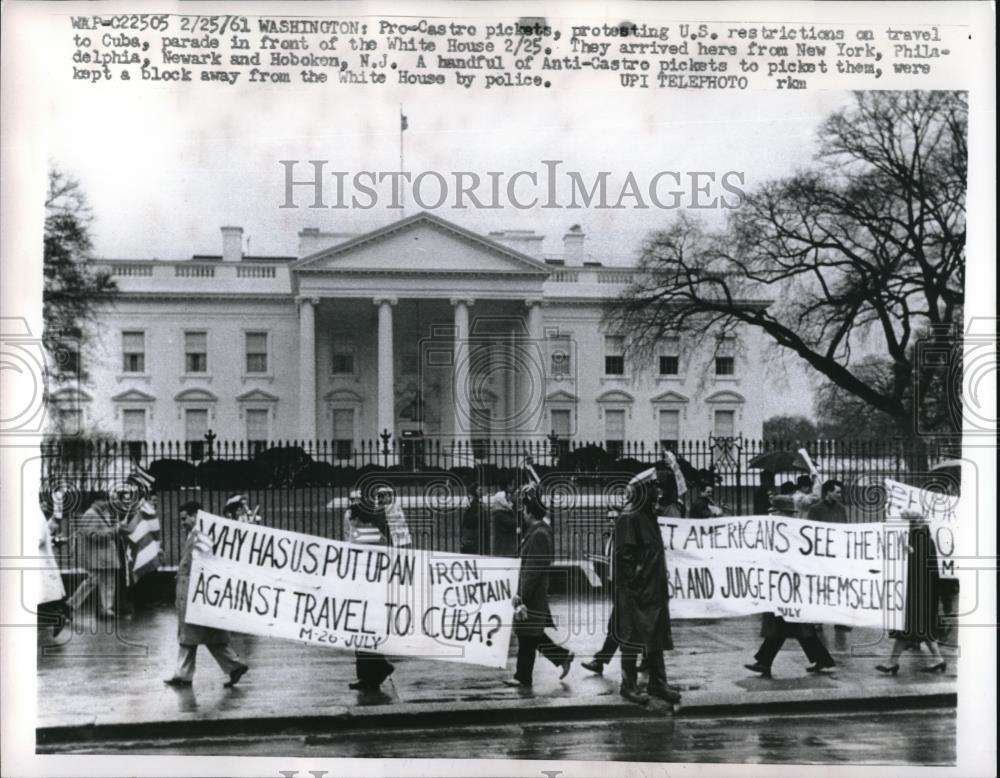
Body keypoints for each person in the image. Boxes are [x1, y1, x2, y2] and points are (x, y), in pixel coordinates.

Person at [165, 501, 249, 688]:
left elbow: (206, 563)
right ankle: (232, 666)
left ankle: (186, 674)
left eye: (185, 518)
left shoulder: (201, 534)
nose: (182, 523)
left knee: (194, 634)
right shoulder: (196, 534)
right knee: (202, 635)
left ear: (196, 516)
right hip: (192, 589)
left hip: (195, 592)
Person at [613, 473, 681, 705]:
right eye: (652, 486)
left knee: (656, 636)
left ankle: (657, 683)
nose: (658, 490)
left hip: (653, 588)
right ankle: (628, 685)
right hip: (637, 591)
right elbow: (624, 558)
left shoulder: (647, 515)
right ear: (643, 491)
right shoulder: (630, 517)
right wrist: (635, 584)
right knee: (632, 636)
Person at [503, 490, 573, 688]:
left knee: (527, 635)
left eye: (524, 510)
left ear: (530, 512)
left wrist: (521, 596)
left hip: (532, 595)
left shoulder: (538, 535)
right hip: (532, 593)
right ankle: (562, 657)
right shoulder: (536, 532)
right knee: (531, 634)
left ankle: (523, 677)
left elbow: (532, 571)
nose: (522, 514)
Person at [877, 511, 947, 675]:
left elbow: (916, 568)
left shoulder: (918, 538)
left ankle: (892, 662)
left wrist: (907, 552)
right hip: (922, 592)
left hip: (917, 593)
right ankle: (937, 659)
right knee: (919, 628)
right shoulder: (922, 537)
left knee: (908, 627)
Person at [345, 493, 396, 691]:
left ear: (358, 518)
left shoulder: (363, 536)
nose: (350, 521)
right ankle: (373, 672)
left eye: (351, 518)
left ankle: (374, 672)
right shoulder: (374, 534)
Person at [67, 494, 129, 619]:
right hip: (99, 556)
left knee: (108, 582)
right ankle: (70, 605)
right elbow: (93, 535)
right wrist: (114, 530)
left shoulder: (102, 512)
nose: (106, 502)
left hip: (104, 556)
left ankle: (106, 609)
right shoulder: (91, 514)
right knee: (93, 581)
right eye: (103, 500)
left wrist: (115, 528)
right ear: (96, 501)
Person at [486, 480, 519, 557]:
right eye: (506, 497)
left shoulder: (504, 511)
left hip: (506, 546)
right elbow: (513, 522)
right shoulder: (499, 514)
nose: (509, 498)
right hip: (503, 548)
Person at [460, 482, 484, 555]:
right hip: (471, 532)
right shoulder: (474, 503)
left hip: (470, 531)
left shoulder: (475, 502)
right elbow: (470, 518)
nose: (482, 491)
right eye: (479, 490)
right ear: (475, 491)